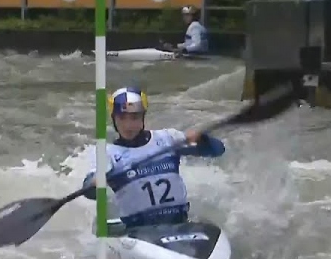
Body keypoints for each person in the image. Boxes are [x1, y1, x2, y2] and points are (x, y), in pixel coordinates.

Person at [81, 87, 225, 228]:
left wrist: (203, 139)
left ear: (143, 116)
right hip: (139, 231)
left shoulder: (168, 138)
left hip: (179, 223)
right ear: (113, 119)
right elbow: (90, 191)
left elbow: (218, 150)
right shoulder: (107, 153)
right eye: (122, 118)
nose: (128, 125)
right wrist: (94, 184)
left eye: (134, 117)